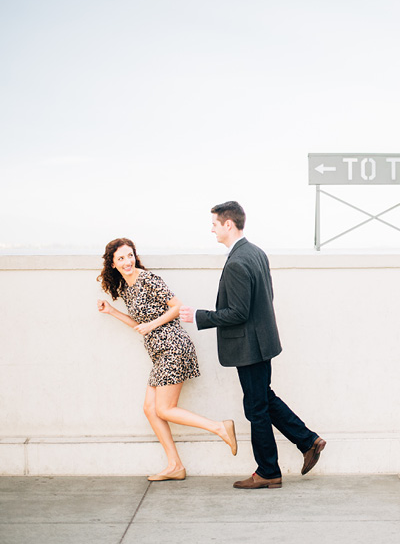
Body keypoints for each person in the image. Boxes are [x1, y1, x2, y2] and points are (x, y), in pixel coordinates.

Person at [179, 201, 325, 489]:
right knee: (262, 400)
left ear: (228, 225)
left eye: (215, 224)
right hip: (262, 342)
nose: (212, 229)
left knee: (256, 408)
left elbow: (238, 313)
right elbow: (265, 298)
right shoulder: (255, 252)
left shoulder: (236, 262)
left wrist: (199, 316)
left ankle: (269, 470)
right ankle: (308, 441)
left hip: (249, 346)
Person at [97, 238, 238, 481]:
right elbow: (140, 326)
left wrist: (152, 323)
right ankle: (175, 466)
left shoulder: (148, 279)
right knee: (150, 410)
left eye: (130, 255)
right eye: (121, 258)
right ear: (113, 263)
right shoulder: (125, 288)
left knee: (164, 408)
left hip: (173, 347)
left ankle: (219, 427)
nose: (127, 261)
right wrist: (112, 311)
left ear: (135, 256)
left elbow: (177, 307)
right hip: (158, 352)